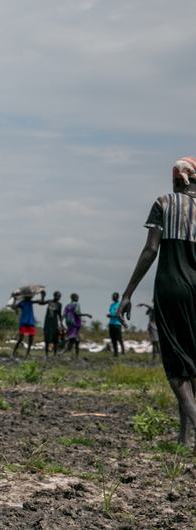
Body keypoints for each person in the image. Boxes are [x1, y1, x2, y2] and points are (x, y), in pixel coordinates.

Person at [118, 156, 196, 445]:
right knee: (193, 366)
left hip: (172, 288)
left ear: (178, 179)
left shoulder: (165, 202)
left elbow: (151, 249)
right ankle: (184, 439)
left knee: (177, 372)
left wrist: (128, 293)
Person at [12, 291, 46, 357]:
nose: (30, 297)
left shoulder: (30, 302)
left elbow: (41, 302)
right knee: (21, 339)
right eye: (29, 296)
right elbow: (14, 307)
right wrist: (14, 299)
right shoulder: (22, 303)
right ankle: (14, 352)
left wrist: (43, 296)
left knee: (30, 339)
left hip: (30, 322)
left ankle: (27, 353)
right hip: (24, 322)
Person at [63, 293, 92, 358]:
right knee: (74, 339)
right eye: (77, 297)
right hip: (75, 323)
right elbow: (77, 313)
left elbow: (64, 314)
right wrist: (86, 314)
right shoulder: (77, 304)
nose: (78, 298)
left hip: (69, 324)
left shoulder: (67, 305)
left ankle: (75, 355)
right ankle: (66, 352)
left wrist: (61, 323)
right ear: (74, 297)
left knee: (75, 339)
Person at [43, 291, 65, 357]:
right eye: (57, 296)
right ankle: (46, 354)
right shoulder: (49, 301)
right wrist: (43, 296)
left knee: (55, 338)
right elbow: (42, 302)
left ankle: (55, 354)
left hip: (54, 322)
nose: (58, 297)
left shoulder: (59, 304)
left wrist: (61, 324)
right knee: (47, 337)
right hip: (48, 322)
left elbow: (59, 314)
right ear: (54, 296)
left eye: (59, 296)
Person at [107, 291, 126, 356]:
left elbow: (119, 314)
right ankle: (116, 353)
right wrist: (109, 315)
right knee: (113, 339)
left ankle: (123, 351)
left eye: (114, 296)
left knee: (119, 338)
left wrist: (111, 316)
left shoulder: (119, 305)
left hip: (117, 324)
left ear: (117, 297)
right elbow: (111, 312)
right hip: (111, 323)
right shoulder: (112, 305)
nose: (112, 297)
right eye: (112, 296)